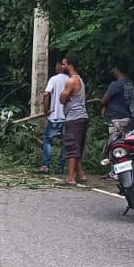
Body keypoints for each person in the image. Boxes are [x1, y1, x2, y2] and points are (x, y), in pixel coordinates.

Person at [58, 56, 90, 186]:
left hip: (74, 117)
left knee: (71, 147)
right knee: (77, 146)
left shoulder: (71, 81)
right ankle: (81, 174)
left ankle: (70, 178)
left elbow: (62, 98)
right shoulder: (80, 80)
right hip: (81, 116)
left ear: (70, 65)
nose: (62, 66)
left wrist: (63, 95)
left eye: (64, 64)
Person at [40, 61, 69, 174]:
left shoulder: (54, 79)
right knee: (64, 142)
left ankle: (46, 165)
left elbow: (46, 94)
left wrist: (46, 110)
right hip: (67, 116)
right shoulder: (71, 79)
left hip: (55, 115)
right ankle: (60, 167)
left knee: (48, 140)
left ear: (59, 67)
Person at [102, 66, 134, 143]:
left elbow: (103, 100)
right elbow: (126, 97)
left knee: (115, 144)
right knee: (128, 142)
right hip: (128, 118)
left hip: (117, 119)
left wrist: (105, 105)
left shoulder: (114, 85)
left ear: (117, 70)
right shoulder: (129, 84)